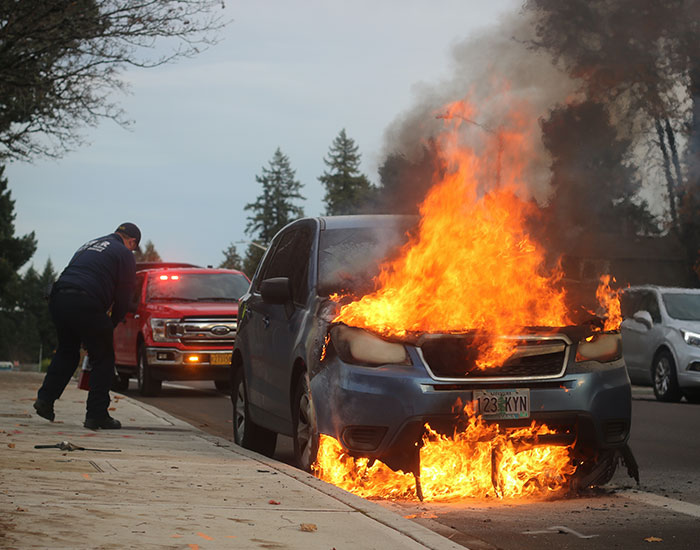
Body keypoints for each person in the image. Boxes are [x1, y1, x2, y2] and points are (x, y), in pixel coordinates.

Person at [34, 223, 140, 430]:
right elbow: (124, 296)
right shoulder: (125, 253)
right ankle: (97, 415)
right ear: (132, 241)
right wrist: (110, 324)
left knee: (67, 351)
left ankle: (45, 400)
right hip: (86, 300)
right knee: (103, 357)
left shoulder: (89, 244)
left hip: (59, 298)